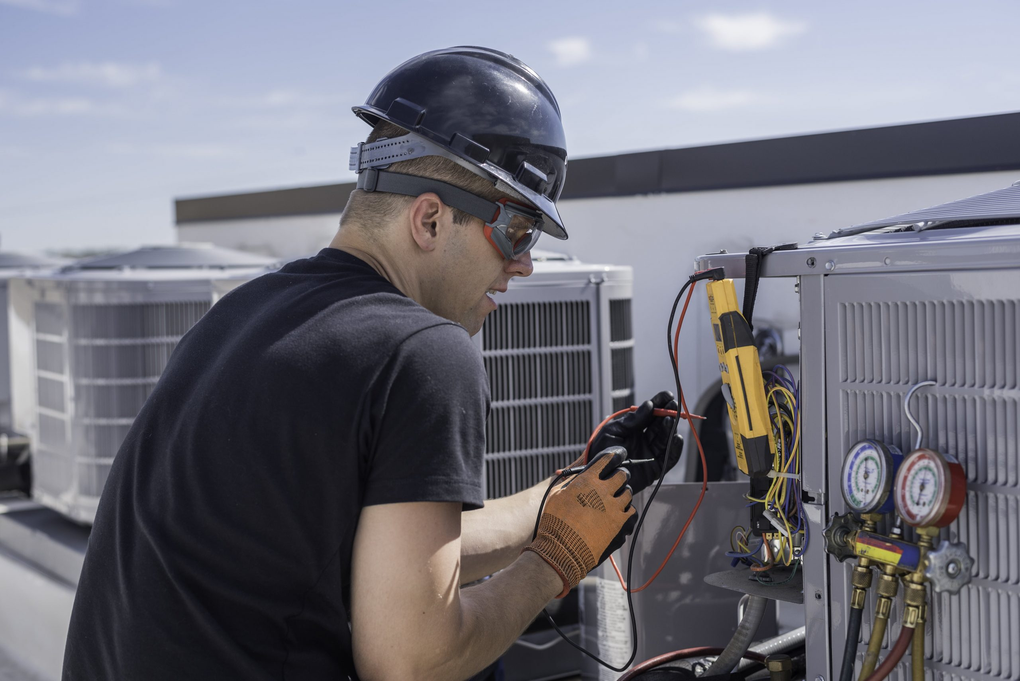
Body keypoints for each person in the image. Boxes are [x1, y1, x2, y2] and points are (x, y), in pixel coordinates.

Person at [62, 46, 681, 681]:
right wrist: (556, 559)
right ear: (431, 218)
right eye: (517, 232)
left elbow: (389, 562)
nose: (523, 265)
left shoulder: (242, 315)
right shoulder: (423, 352)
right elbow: (412, 661)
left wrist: (574, 490)